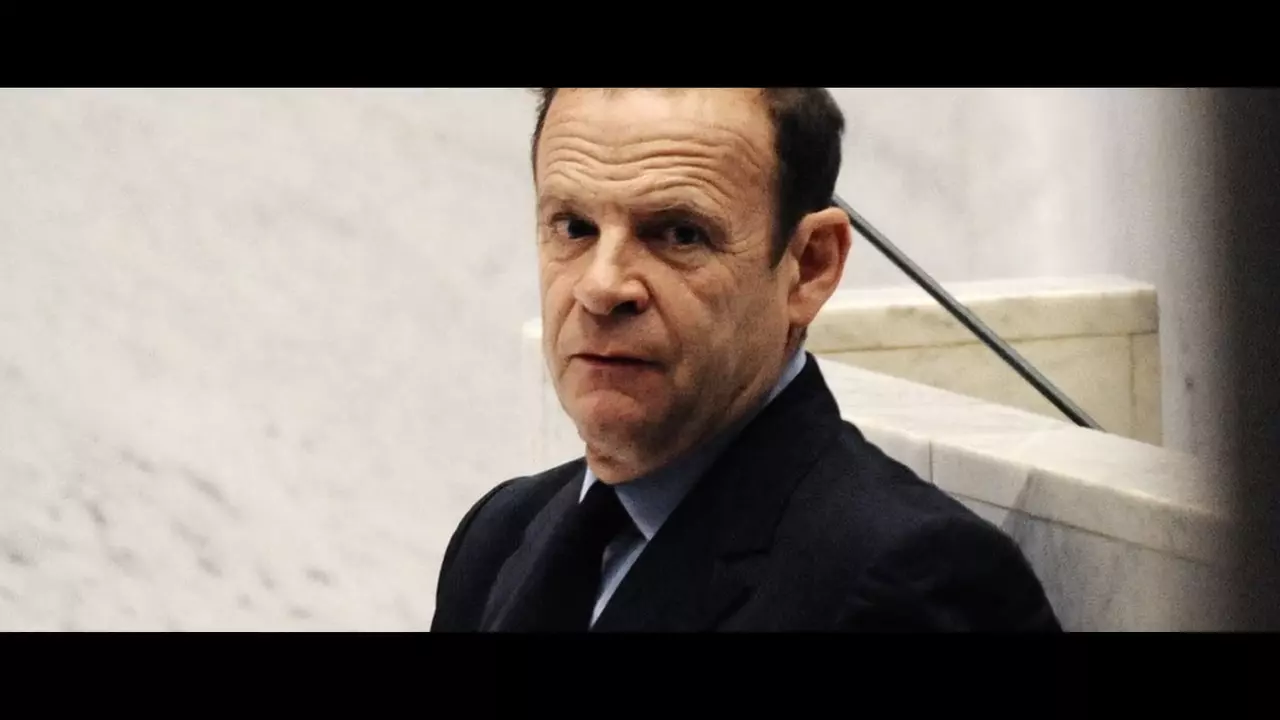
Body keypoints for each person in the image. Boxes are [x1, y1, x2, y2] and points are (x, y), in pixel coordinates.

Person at [431, 88, 1062, 632]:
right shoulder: (500, 533)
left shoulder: (912, 580)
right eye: (574, 227)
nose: (601, 287)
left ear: (809, 266)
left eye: (680, 233)